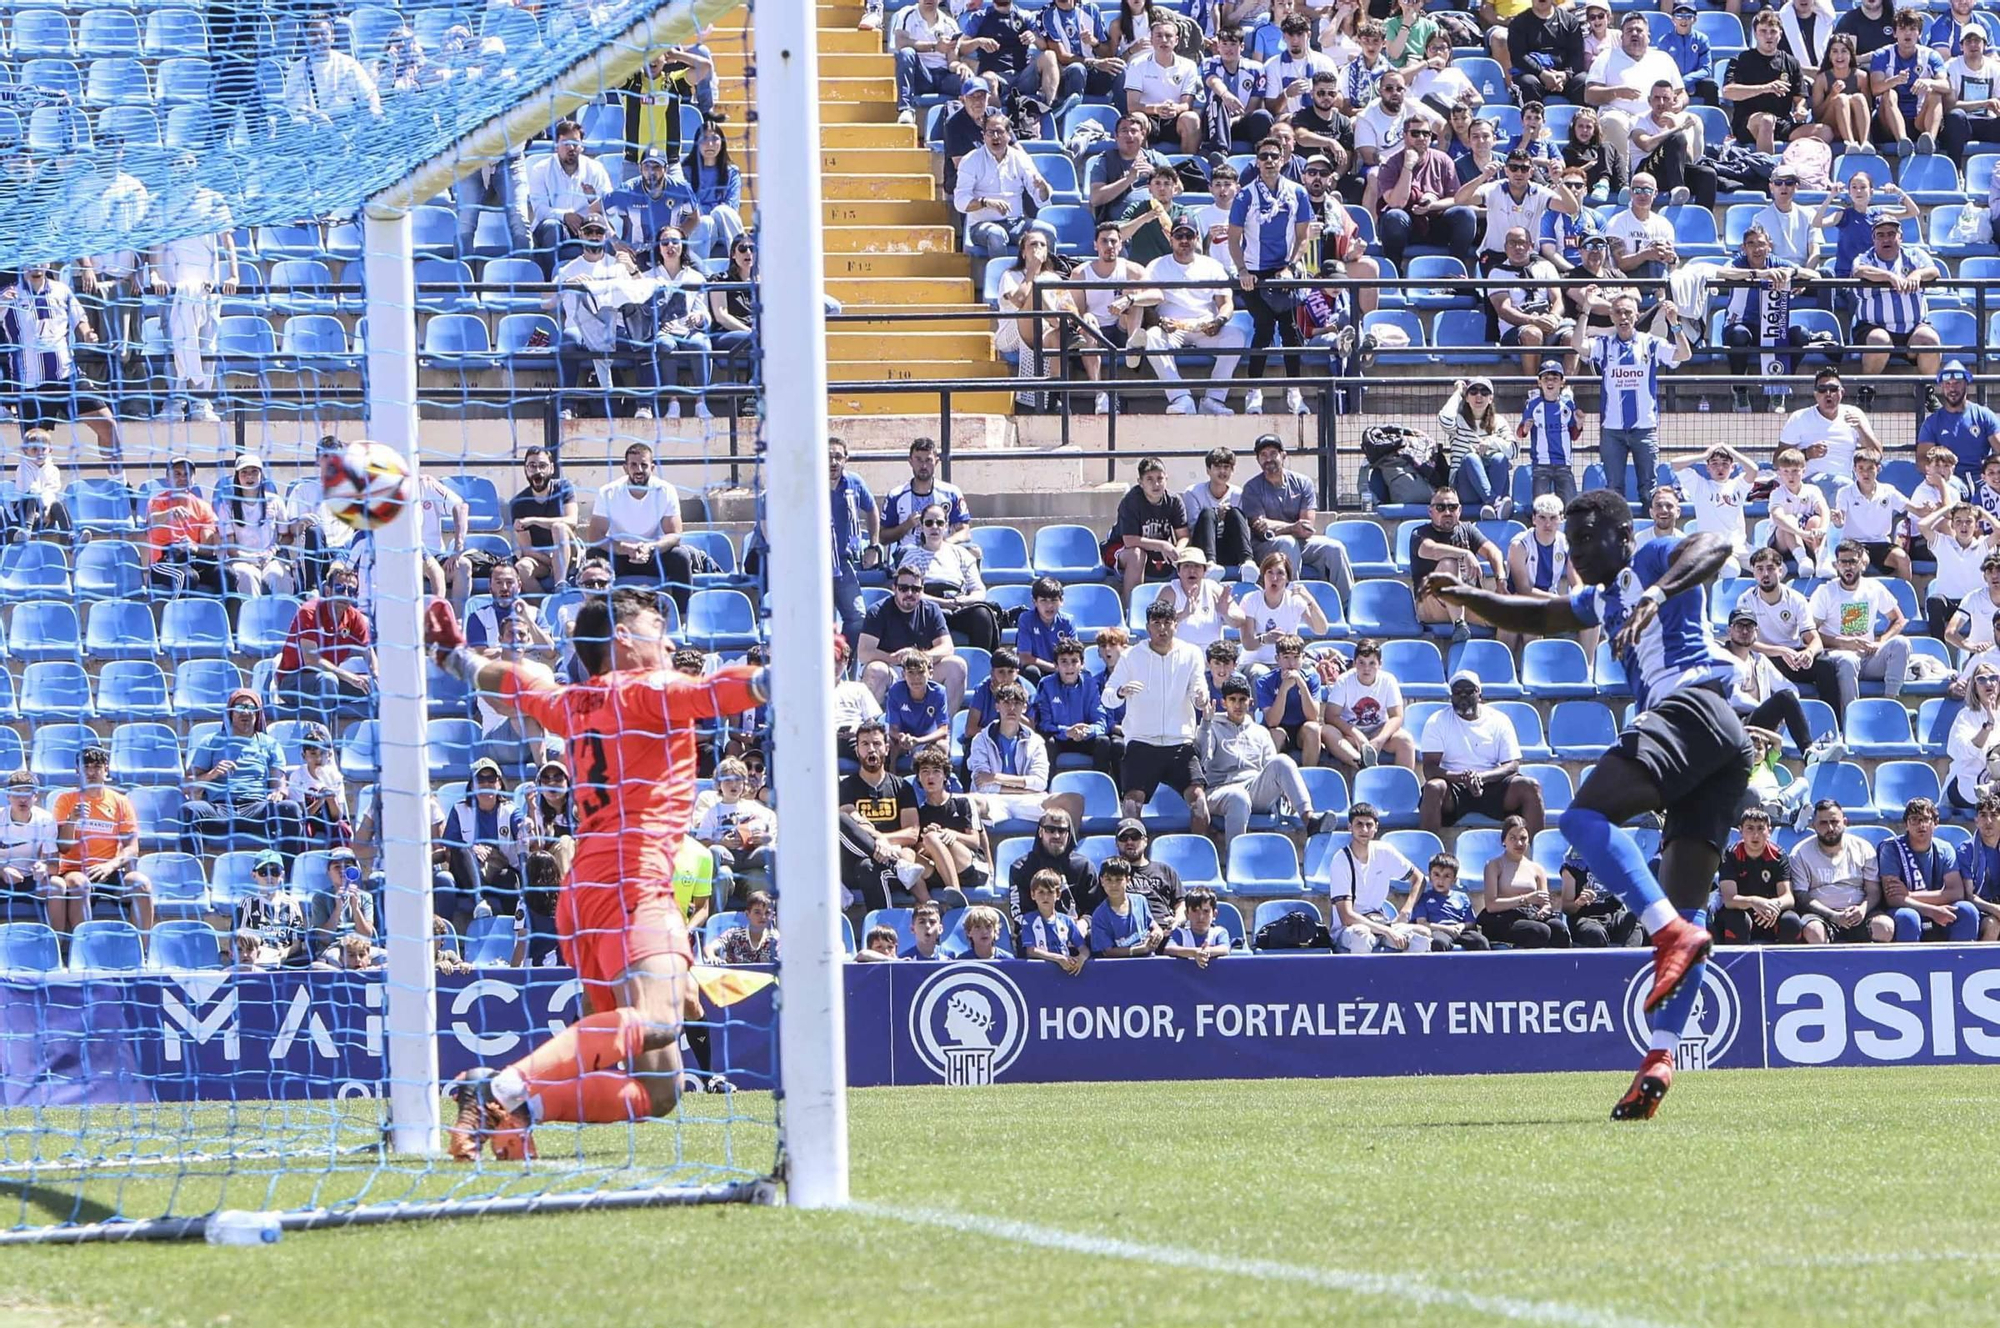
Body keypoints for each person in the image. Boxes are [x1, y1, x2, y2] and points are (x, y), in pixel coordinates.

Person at [1423, 490, 1747, 1121]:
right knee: (1681, 913)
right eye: (1569, 544)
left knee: (1579, 819)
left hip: (1690, 707)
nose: (1576, 552)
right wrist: (1466, 598)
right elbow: (1537, 614)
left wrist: (1656, 593)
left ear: (1622, 536)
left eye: (1587, 540)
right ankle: (1660, 1057)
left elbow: (1716, 546)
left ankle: (1671, 932)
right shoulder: (1599, 599)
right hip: (1718, 747)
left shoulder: (1651, 558)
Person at [423, 590, 769, 1160]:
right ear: (622, 640)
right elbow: (713, 692)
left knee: (662, 1088)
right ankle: (502, 1087)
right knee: (660, 1021)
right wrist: (779, 676)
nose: (669, 640)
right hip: (635, 884)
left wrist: (455, 658)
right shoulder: (648, 690)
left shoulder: (572, 701)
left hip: (583, 896)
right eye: (657, 628)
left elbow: (511, 682)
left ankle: (521, 1111)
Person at [1570, 291, 1689, 509]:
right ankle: (1616, 537)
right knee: (1613, 489)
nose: (1623, 317)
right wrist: (1586, 308)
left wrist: (1675, 324)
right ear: (1612, 317)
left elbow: (1684, 355)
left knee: (1649, 489)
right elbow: (1577, 344)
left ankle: (1648, 533)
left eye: (1628, 313)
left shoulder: (1651, 343)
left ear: (1636, 316)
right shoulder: (1603, 344)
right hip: (1612, 430)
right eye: (1618, 313)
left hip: (1644, 427)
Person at [1104, 600, 1211, 833]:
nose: (1162, 629)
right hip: (1142, 742)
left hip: (1180, 743)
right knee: (1131, 806)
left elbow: (1198, 688)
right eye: (1156, 623)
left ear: (1176, 625)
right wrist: (1121, 692)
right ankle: (1136, 861)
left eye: (1167, 623)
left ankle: (1200, 860)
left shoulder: (1191, 653)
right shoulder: (1131, 656)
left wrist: (1201, 698)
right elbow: (1107, 696)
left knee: (1200, 803)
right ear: (1147, 626)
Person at [1227, 136, 1313, 415]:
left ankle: (1294, 390)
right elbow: (1233, 238)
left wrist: (1291, 265)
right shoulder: (1245, 195)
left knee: (1290, 330)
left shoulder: (1297, 192)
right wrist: (1242, 270)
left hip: (1285, 269)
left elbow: (1303, 237)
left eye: (1274, 156)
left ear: (1284, 158)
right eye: (1263, 156)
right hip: (1253, 270)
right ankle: (1254, 390)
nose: (1269, 161)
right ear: (1256, 161)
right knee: (1263, 326)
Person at [1199, 672, 1331, 848]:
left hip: (1254, 789)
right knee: (1238, 797)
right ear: (1224, 702)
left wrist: (1284, 789)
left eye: (1242, 699)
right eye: (1232, 699)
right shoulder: (1212, 727)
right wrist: (1206, 725)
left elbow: (1271, 766)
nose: (1237, 704)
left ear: (1250, 703)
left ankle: (1309, 820)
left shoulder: (1260, 732)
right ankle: (1236, 856)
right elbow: (1202, 757)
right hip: (1219, 790)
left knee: (1282, 761)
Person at [180, 687, 303, 859]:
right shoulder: (211, 741)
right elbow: (186, 786)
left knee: (290, 809)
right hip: (220, 810)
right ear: (230, 713)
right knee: (189, 810)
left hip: (257, 810)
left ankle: (287, 878)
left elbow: (280, 784)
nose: (245, 712)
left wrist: (279, 793)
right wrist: (212, 774)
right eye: (239, 708)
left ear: (258, 713)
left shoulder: (270, 744)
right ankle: (196, 879)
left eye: (251, 708)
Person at [1143, 220, 1248, 417]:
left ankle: (1214, 399)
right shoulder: (1156, 266)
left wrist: (1219, 321)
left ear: (1197, 239)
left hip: (1205, 326)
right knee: (1152, 337)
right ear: (1170, 238)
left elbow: (1226, 303)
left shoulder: (1212, 265)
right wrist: (1158, 321)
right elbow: (1147, 304)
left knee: (1235, 336)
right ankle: (1180, 397)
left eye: (1189, 236)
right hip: (1171, 327)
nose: (1184, 240)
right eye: (1179, 236)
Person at [1417, 672, 1544, 835]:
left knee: (1530, 786)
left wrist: (1481, 778)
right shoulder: (1437, 721)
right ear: (1451, 696)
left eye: (1469, 691)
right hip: (1454, 785)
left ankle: (1536, 852)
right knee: (1433, 787)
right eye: (1457, 692)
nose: (1463, 696)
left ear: (1480, 694)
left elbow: (1512, 765)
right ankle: (1430, 854)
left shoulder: (1499, 720)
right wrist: (1462, 777)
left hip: (1491, 783)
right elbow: (1430, 769)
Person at [49, 747, 151, 944]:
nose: (91, 772)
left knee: (142, 883)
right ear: (77, 771)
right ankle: (83, 949)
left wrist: (110, 865)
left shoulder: (120, 802)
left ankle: (143, 951)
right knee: (79, 884)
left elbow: (132, 847)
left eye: (97, 766)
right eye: (85, 767)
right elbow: (62, 847)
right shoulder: (66, 800)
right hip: (74, 869)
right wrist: (72, 820)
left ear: (106, 770)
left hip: (108, 870)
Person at [1735, 547, 1853, 713]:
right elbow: (1746, 642)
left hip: (1794, 657)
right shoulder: (1746, 600)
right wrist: (1780, 651)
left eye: (1770, 568)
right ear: (1754, 573)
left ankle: (1834, 723)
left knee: (1824, 665)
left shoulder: (1796, 599)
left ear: (1780, 571)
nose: (1765, 574)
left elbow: (1814, 639)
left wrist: (1809, 653)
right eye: (1760, 569)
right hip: (1765, 657)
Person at [1239, 434, 1352, 595]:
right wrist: (1292, 527)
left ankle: (1347, 606)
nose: (1268, 459)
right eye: (1263, 455)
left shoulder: (1303, 483)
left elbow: (1306, 527)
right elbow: (1261, 529)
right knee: (1287, 543)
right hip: (1265, 547)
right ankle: (1293, 602)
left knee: (1335, 548)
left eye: (1273, 453)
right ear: (1258, 460)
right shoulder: (1252, 488)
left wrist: (1276, 526)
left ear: (1283, 455)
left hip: (1301, 543)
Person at [967, 681, 1086, 830]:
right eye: (1006, 703)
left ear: (1024, 708)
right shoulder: (980, 739)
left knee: (1074, 801)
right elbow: (982, 785)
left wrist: (996, 777)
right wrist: (1025, 788)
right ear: (997, 706)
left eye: (1017, 703)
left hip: (1029, 800)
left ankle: (1069, 851)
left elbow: (1040, 782)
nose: (1011, 708)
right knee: (968, 802)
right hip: (992, 799)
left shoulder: (1036, 741)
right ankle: (977, 852)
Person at [1714, 226, 1813, 404]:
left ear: (1769, 246)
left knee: (1801, 335)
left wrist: (1794, 273)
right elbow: (1721, 272)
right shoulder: (1738, 262)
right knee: (1738, 335)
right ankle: (1740, 389)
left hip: (1773, 327)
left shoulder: (1777, 262)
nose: (1756, 249)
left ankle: (1780, 385)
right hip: (1740, 325)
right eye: (1751, 244)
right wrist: (1759, 274)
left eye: (1761, 244)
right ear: (1743, 248)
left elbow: (1816, 275)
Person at [838, 720, 926, 915]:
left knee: (868, 867)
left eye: (877, 743)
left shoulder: (902, 787)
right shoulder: (846, 787)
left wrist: (884, 842)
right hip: (854, 863)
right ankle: (898, 865)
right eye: (865, 744)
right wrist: (878, 840)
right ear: (857, 750)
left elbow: (912, 833)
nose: (871, 749)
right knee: (838, 820)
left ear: (886, 748)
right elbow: (850, 820)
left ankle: (885, 933)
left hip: (890, 863)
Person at [1807, 539, 1911, 703]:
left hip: (1868, 657)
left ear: (1862, 564)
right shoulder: (1826, 592)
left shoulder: (1873, 588)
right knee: (1849, 660)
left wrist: (1881, 642)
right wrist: (1843, 643)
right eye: (1843, 562)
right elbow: (1809, 634)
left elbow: (1899, 619)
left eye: (1853, 562)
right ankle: (1850, 715)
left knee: (1901, 643)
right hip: (1837, 657)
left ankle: (1891, 702)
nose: (1848, 566)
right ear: (1836, 565)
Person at [857, 565, 970, 714]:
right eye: (904, 588)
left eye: (915, 589)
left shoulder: (931, 610)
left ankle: (944, 729)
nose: (910, 593)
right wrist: (894, 658)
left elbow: (947, 647)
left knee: (957, 666)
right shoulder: (878, 611)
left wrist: (916, 657)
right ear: (894, 588)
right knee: (875, 670)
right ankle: (873, 730)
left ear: (922, 591)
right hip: (891, 669)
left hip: (921, 669)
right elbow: (864, 652)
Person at [1372, 116, 1476, 276]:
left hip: (1436, 220)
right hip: (1407, 224)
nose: (1421, 138)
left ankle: (1456, 270)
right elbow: (1396, 203)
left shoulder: (1443, 160)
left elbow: (1456, 199)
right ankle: (1394, 273)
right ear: (1404, 135)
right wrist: (1407, 167)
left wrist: (1432, 205)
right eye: (1415, 133)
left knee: (1465, 214)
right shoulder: (1391, 163)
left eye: (1426, 134)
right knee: (1394, 217)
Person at [274, 562, 376, 723]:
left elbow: (368, 653)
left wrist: (376, 675)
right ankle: (322, 742)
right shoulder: (309, 612)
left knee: (378, 686)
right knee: (328, 681)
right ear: (328, 591)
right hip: (293, 682)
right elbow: (311, 660)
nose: (345, 594)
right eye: (340, 589)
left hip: (328, 679)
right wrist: (349, 677)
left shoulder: (355, 618)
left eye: (351, 591)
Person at [1325, 801, 1427, 953]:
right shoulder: (1340, 860)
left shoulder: (1384, 851)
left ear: (1376, 828)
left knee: (1422, 935)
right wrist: (1387, 931)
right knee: (1361, 935)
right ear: (1349, 827)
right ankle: (1361, 977)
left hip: (1379, 922)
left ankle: (1407, 977)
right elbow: (1347, 916)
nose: (1364, 829)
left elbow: (1419, 878)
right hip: (1349, 929)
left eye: (1369, 824)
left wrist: (1406, 911)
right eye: (1359, 824)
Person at [1853, 211, 1943, 381]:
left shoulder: (1915, 255)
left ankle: (1927, 389)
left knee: (1929, 339)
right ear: (1873, 239)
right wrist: (1889, 277)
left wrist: (1917, 274)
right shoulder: (1864, 258)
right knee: (1879, 340)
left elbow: (1934, 271)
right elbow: (1859, 271)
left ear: (1900, 237)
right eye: (1880, 235)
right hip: (1873, 327)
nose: (1886, 239)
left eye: (1891, 234)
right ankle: (1866, 388)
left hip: (1914, 327)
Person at [953, 111, 1057, 257]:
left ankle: (1046, 275)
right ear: (983, 136)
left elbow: (1042, 200)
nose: (995, 137)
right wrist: (985, 202)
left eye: (999, 132)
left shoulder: (1020, 158)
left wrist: (1043, 188)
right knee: (997, 234)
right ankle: (1001, 277)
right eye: (990, 132)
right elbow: (960, 202)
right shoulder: (970, 161)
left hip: (1017, 223)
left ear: (1009, 135)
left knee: (1047, 232)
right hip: (982, 225)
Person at [1410, 489, 1506, 643]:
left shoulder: (1467, 529)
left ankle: (1502, 663)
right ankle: (1459, 624)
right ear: (1430, 511)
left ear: (1459, 510)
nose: (1447, 512)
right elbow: (1431, 550)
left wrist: (1500, 580)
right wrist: (1465, 553)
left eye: (1452, 507)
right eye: (1440, 507)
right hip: (1433, 605)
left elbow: (1494, 552)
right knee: (1449, 563)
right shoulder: (1420, 533)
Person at [1877, 797, 1980, 942]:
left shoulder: (1945, 849)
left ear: (1935, 823)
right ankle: (1908, 965)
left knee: (1967, 911)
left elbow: (1956, 892)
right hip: (1905, 909)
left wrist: (1909, 894)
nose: (1921, 825)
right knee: (1908, 917)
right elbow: (1893, 898)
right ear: (1906, 824)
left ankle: (1960, 963)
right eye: (1914, 819)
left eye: (1926, 819)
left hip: (1933, 906)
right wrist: (1932, 911)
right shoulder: (1891, 849)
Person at [1723, 9, 1825, 154]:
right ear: (1755, 34)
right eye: (1763, 31)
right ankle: (1766, 171)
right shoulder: (1741, 59)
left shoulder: (1791, 62)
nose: (1768, 36)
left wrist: (1800, 109)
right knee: (1767, 121)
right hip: (1748, 123)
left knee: (1825, 132)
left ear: (1780, 34)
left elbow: (1799, 98)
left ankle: (1796, 164)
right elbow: (1728, 92)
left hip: (1781, 123)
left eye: (1773, 31)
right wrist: (1765, 88)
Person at [1790, 799, 1891, 943]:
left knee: (1885, 927)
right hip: (1821, 915)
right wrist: (1833, 916)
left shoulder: (1863, 848)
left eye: (1834, 821)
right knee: (1814, 932)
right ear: (1814, 825)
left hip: (1858, 913)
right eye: (1823, 823)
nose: (1830, 828)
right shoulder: (1800, 853)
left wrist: (1863, 909)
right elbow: (1802, 896)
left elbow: (1874, 890)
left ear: (1845, 822)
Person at [527, 118, 615, 277]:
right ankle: (551, 283)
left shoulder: (595, 169)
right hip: (555, 227)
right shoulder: (541, 169)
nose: (571, 148)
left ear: (582, 145)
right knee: (551, 227)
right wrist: (565, 216)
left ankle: (602, 280)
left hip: (587, 226)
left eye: (575, 142)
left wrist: (593, 201)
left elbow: (611, 211)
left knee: (605, 234)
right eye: (566, 143)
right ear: (556, 145)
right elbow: (540, 211)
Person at [1320, 639, 1420, 775]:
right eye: (1361, 663)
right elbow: (1331, 716)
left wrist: (1379, 740)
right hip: (1349, 735)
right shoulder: (1344, 680)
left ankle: (1402, 788)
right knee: (1326, 732)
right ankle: (1363, 764)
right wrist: (1357, 734)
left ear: (1380, 664)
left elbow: (1397, 716)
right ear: (1354, 663)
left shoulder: (1388, 680)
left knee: (1406, 741)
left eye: (1372, 663)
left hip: (1379, 731)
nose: (1366, 668)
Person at [907, 745, 985, 907]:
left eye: (936, 771)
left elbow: (975, 841)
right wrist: (934, 843)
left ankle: (956, 895)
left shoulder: (963, 802)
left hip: (969, 866)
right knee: (907, 853)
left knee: (932, 836)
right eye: (925, 771)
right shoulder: (920, 812)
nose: (931, 776)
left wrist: (951, 835)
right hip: (938, 869)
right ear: (919, 778)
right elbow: (920, 850)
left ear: (945, 776)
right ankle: (928, 905)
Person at [1715, 806, 1805, 944]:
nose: (1755, 835)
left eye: (1760, 828)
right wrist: (1754, 902)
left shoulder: (1778, 856)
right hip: (1742, 910)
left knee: (1791, 921)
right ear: (1741, 831)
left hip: (1771, 912)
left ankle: (1785, 964)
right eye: (1750, 828)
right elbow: (1729, 899)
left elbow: (1788, 897)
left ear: (1769, 831)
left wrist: (1771, 905)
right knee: (1736, 921)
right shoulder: (1731, 855)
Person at [1478, 814, 1570, 947]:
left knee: (1559, 929)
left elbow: (1545, 902)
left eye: (1523, 838)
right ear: (1504, 840)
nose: (1519, 843)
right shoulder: (1494, 865)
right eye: (1513, 838)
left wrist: (1545, 909)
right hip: (1502, 918)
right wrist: (1526, 899)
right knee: (1540, 931)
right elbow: (1491, 905)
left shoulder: (1537, 869)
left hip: (1530, 915)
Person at [1110, 456, 1193, 603]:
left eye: (1160, 478)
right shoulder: (1131, 501)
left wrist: (1178, 551)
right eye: (1149, 479)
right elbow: (1129, 541)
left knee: (1190, 556)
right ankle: (1131, 607)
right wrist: (1163, 545)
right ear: (1140, 482)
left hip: (1156, 551)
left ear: (1166, 479)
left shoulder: (1174, 501)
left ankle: (1188, 606)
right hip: (1121, 548)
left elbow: (1184, 536)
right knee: (1137, 554)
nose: (1156, 484)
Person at [1032, 636, 1119, 774]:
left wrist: (1088, 730)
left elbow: (1101, 720)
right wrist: (1067, 731)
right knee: (1047, 743)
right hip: (1059, 737)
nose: (1069, 667)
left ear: (1082, 664)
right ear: (1056, 665)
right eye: (1064, 662)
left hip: (1085, 737)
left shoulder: (1091, 684)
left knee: (1103, 742)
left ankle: (1100, 787)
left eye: (1074, 661)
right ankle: (1047, 789)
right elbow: (1043, 724)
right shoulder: (1046, 685)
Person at [1437, 376, 1518, 521]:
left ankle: (1492, 505)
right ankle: (1494, 503)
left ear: (1491, 398)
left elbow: (1513, 451)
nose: (1479, 396)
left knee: (1499, 458)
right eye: (1473, 391)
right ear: (1466, 397)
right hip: (1464, 488)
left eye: (1484, 392)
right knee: (1471, 458)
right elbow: (1444, 419)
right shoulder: (1458, 421)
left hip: (1494, 483)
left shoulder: (1499, 422)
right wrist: (1457, 392)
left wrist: (1492, 442)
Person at [1233, 553, 1330, 672]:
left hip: (1287, 664)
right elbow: (1247, 643)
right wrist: (1265, 639)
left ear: (1288, 578)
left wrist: (1310, 600)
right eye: (1270, 572)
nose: (1274, 578)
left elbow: (1321, 629)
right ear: (1263, 575)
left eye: (1280, 573)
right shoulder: (1251, 600)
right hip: (1254, 663)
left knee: (1311, 673)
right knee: (1259, 672)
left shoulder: (1295, 601)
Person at [1870, 6, 1948, 152]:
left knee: (1935, 93)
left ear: (1919, 33)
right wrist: (1895, 80)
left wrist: (1929, 82)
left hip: (1919, 118)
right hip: (1888, 121)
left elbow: (1946, 86)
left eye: (1912, 29)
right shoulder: (1882, 55)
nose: (1908, 33)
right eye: (1902, 29)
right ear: (1894, 33)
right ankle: (1902, 142)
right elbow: (1875, 89)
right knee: (1889, 93)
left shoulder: (1931, 56)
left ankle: (1929, 141)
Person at [144, 455, 222, 597]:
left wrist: (193, 547)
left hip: (194, 560)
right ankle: (176, 617)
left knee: (227, 574)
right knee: (187, 577)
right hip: (164, 563)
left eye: (187, 474)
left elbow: (208, 550)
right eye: (177, 474)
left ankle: (224, 616)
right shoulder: (157, 502)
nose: (182, 478)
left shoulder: (203, 507)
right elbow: (151, 521)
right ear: (168, 478)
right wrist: (169, 514)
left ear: (193, 479)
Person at [1007, 809, 1098, 928]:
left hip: (1076, 934)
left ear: (1069, 833)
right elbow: (1018, 913)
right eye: (1050, 830)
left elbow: (1096, 907)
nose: (1056, 835)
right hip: (1036, 935)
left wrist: (1084, 923)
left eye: (1062, 830)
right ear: (1040, 832)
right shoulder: (1021, 868)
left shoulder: (1084, 866)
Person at [508, 446, 579, 594]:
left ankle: (560, 585)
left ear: (551, 468)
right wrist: (551, 562)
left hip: (568, 550)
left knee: (559, 527)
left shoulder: (564, 488)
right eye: (532, 466)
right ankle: (543, 609)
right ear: (525, 470)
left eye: (542, 466)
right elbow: (526, 549)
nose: (538, 471)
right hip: (540, 558)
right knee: (522, 568)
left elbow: (572, 521)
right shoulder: (518, 502)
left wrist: (533, 520)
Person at [1924, 361, 2000, 489]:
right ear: (1942, 386)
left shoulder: (1984, 415)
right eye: (1948, 384)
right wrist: (1938, 477)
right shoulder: (1932, 422)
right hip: (1950, 480)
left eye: (1957, 383)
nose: (1952, 388)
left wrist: (1993, 474)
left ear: (1966, 384)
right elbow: (1922, 458)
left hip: (1982, 479)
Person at [1518, 360, 1583, 503]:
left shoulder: (1568, 404)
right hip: (1541, 464)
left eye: (1555, 378)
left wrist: (1578, 424)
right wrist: (1525, 428)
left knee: (1570, 504)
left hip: (1563, 463)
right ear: (1539, 382)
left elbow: (1573, 434)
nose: (1550, 382)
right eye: (1546, 378)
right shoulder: (1533, 405)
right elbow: (1520, 432)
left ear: (1562, 382)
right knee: (1540, 504)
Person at [236, 849, 310, 967]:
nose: (269, 877)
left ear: (282, 875)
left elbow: (297, 944)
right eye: (263, 872)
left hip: (284, 961)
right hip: (255, 961)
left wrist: (282, 955)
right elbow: (239, 940)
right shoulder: (246, 903)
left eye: (275, 872)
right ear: (254, 875)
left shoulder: (292, 904)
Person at [0, 770, 55, 925]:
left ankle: (58, 941)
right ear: (8, 796)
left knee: (57, 886)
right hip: (2, 877)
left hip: (32, 879)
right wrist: (2, 870)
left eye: (28, 793)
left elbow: (54, 865)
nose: (23, 799)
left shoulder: (46, 820)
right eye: (17, 793)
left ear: (36, 797)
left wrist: (43, 867)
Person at [1947, 663, 2000, 811]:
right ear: (1974, 687)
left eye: (1994, 678)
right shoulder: (1966, 715)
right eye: (1982, 679)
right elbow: (1959, 752)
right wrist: (1988, 725)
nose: (1989, 683)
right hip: (1967, 784)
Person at [1089, 857, 1164, 956]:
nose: (1113, 885)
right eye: (1109, 880)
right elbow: (1108, 951)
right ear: (1102, 881)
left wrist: (1158, 932)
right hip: (1119, 967)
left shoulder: (1140, 901)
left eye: (1119, 880)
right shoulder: (1099, 916)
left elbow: (1152, 924)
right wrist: (1140, 950)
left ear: (1128, 880)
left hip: (1147, 961)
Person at [1020, 869, 1089, 974]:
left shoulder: (1066, 921)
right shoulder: (1029, 920)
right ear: (1033, 894)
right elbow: (1031, 951)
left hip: (1065, 972)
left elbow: (1083, 948)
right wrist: (1058, 958)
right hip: (1038, 972)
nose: (1045, 897)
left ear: (1058, 894)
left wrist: (1081, 958)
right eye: (1041, 892)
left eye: (1050, 892)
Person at [1164, 886, 1233, 964]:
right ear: (1187, 914)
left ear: (1214, 914)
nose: (1200, 917)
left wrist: (1206, 951)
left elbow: (1225, 949)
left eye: (1206, 911)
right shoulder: (1180, 933)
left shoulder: (1219, 932)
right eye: (1195, 911)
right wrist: (1195, 953)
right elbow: (1169, 949)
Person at [713, 891, 780, 965]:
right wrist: (712, 957)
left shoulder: (775, 938)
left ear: (773, 916)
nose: (763, 917)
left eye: (767, 913)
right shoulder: (734, 935)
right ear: (747, 914)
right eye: (757, 912)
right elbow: (711, 947)